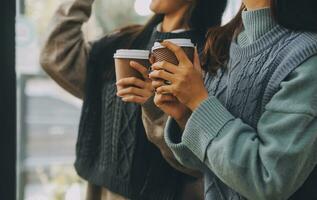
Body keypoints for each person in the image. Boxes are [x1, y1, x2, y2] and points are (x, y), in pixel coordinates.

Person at [40, 0, 227, 199]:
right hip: (102, 191)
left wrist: (154, 107)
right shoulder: (124, 41)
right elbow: (55, 56)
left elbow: (199, 158)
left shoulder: (209, 59)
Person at [150, 0, 317, 199]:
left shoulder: (307, 58)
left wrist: (199, 102)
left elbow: (269, 179)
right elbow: (205, 164)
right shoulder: (223, 41)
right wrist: (185, 116)